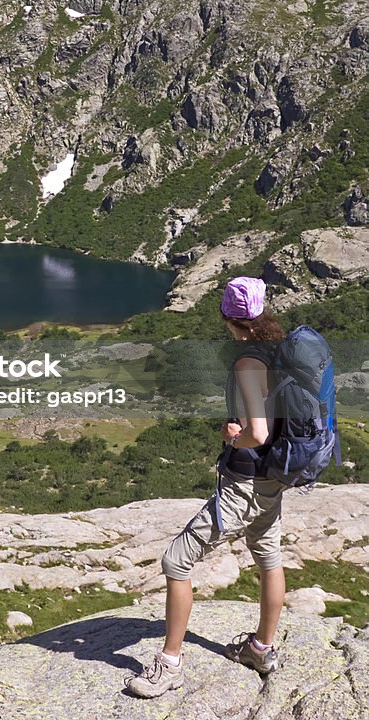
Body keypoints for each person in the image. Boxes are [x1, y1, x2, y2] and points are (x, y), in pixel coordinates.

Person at [126, 276, 287, 699]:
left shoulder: (248, 362)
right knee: (269, 558)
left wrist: (232, 437)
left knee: (175, 562)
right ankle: (261, 649)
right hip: (273, 480)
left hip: (245, 482)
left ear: (229, 318)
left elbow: (259, 432)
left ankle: (170, 665)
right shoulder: (282, 349)